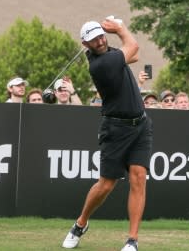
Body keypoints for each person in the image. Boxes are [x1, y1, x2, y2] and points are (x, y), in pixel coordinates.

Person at [62, 19, 152, 251]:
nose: (101, 40)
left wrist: (120, 40)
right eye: (95, 39)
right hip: (116, 129)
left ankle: (132, 240)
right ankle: (80, 224)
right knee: (106, 185)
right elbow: (134, 48)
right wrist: (119, 28)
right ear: (86, 43)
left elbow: (132, 56)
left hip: (140, 124)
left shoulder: (111, 55)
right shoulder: (100, 64)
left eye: (102, 36)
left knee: (138, 177)